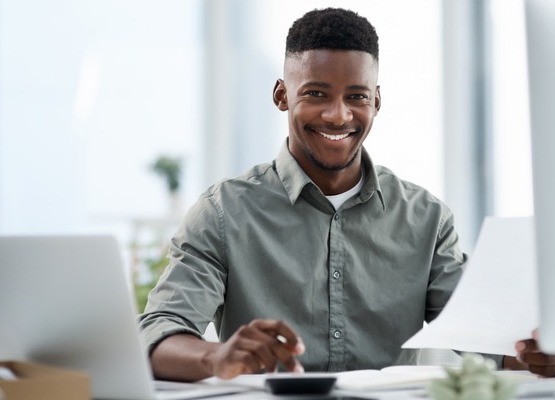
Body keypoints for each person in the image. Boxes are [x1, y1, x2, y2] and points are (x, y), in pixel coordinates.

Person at [138, 7, 554, 382]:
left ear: (376, 100)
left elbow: (488, 346)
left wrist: (541, 353)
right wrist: (217, 357)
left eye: (356, 96)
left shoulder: (427, 219)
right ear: (282, 95)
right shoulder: (223, 212)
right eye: (316, 94)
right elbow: (157, 334)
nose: (338, 115)